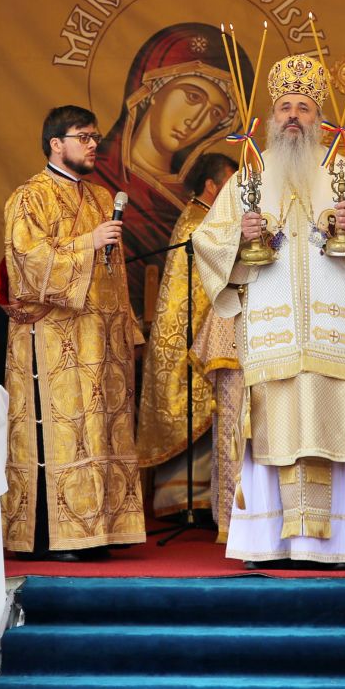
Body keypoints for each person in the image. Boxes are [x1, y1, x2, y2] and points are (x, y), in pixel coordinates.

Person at [194, 54, 345, 567]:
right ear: (273, 116)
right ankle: (269, 542)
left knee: (327, 432)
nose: (294, 116)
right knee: (273, 433)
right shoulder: (249, 178)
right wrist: (239, 241)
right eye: (286, 107)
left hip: (329, 338)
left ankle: (332, 545)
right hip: (273, 340)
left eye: (305, 108)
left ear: (320, 118)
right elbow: (207, 240)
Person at [1, 105, 145, 558]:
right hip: (53, 340)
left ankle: (101, 528)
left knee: (101, 432)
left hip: (101, 341)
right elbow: (26, 262)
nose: (92, 144)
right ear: (55, 144)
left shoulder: (104, 198)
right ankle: (53, 535)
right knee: (63, 433)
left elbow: (114, 272)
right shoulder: (30, 197)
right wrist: (88, 242)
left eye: (95, 137)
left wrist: (128, 329)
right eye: (82, 136)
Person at [91, 22, 250, 320]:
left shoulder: (188, 204)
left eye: (215, 113)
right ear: (153, 91)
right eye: (192, 97)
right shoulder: (95, 183)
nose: (196, 120)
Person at [137, 151, 238, 519]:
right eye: (230, 184)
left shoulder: (203, 218)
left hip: (197, 331)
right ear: (211, 185)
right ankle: (187, 501)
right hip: (192, 337)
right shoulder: (199, 223)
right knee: (202, 405)